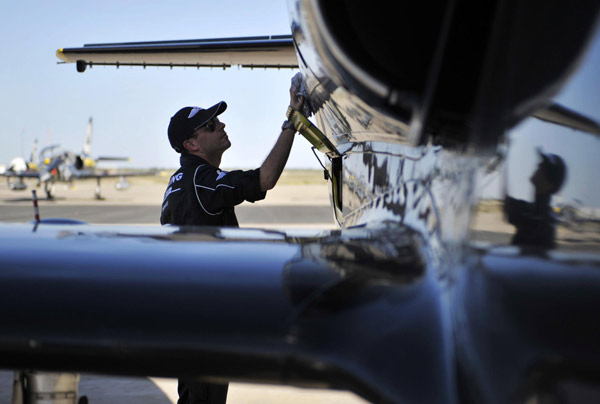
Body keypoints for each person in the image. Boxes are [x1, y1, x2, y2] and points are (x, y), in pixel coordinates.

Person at [160, 85, 303, 404]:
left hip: (184, 308)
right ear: (191, 144)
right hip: (203, 314)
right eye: (210, 125)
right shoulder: (202, 180)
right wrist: (293, 120)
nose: (221, 125)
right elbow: (264, 179)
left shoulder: (177, 182)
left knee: (195, 395)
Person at [504, 150, 567, 248]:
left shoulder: (539, 218)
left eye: (542, 168)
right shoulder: (536, 211)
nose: (538, 164)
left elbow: (508, 207)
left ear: (548, 185)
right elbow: (508, 204)